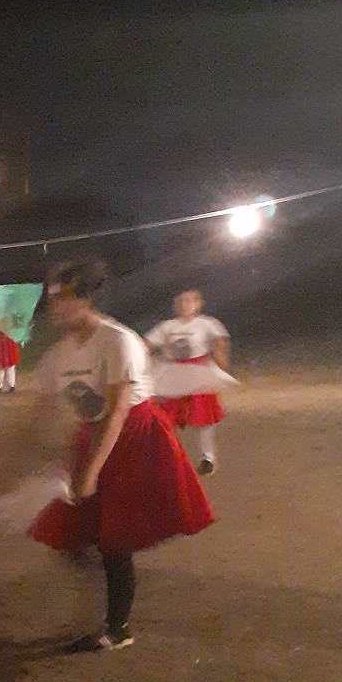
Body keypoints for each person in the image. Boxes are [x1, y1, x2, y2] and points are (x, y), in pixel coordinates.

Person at [29, 262, 214, 651]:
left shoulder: (118, 341)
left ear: (83, 298)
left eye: (60, 297)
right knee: (74, 533)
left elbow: (117, 412)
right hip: (94, 435)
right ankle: (102, 606)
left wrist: (90, 471)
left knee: (114, 537)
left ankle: (117, 628)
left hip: (135, 438)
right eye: (51, 298)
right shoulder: (60, 353)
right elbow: (50, 411)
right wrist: (58, 458)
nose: (53, 306)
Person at [145, 290, 230, 476]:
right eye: (180, 301)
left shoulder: (207, 323)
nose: (184, 305)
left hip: (197, 371)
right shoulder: (167, 326)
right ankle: (168, 455)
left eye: (189, 301)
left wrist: (220, 358)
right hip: (172, 372)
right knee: (166, 415)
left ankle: (207, 458)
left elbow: (220, 340)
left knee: (203, 415)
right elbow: (147, 344)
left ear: (198, 303)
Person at [0, 324, 21, 394]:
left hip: (5, 349)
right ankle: (9, 386)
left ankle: (2, 387)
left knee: (3, 369)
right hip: (7, 349)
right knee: (6, 369)